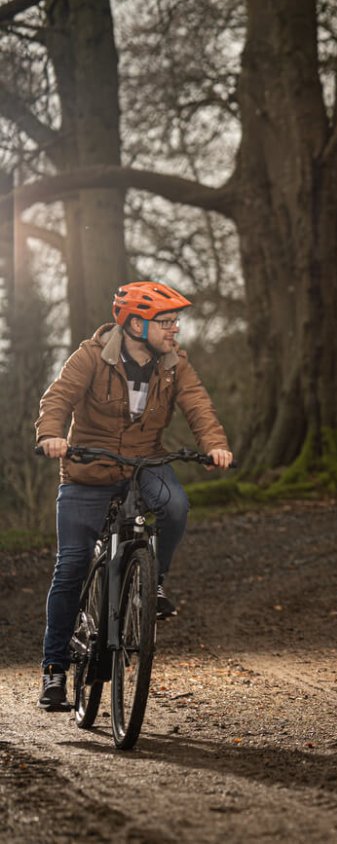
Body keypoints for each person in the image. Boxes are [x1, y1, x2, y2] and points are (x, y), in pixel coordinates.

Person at [35, 281, 234, 711]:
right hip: (89, 469)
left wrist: (215, 443)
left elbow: (199, 405)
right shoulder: (92, 356)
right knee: (71, 565)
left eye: (175, 321)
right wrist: (52, 435)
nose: (175, 329)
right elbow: (59, 398)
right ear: (137, 324)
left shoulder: (174, 364)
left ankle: (150, 584)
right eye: (167, 322)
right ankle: (54, 670)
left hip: (145, 463)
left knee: (175, 504)